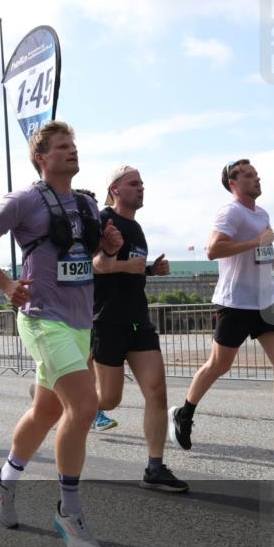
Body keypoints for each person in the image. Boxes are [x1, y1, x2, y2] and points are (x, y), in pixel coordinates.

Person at [0, 120, 123, 547]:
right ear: (41, 157)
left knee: (46, 410)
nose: (72, 151)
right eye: (61, 147)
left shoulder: (88, 205)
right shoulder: (23, 200)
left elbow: (90, 260)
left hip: (79, 321)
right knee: (85, 407)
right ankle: (68, 512)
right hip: (42, 319)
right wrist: (5, 284)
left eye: (74, 145)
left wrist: (109, 250)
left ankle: (4, 480)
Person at [169, 159, 274, 464]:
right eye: (249, 175)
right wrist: (257, 241)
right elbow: (213, 249)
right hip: (236, 302)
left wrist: (272, 258)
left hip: (267, 300)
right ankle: (183, 414)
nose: (258, 178)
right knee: (219, 364)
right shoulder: (230, 212)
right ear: (233, 182)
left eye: (257, 174)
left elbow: (258, 253)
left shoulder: (262, 213)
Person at [90, 166, 188, 491]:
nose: (141, 187)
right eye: (134, 183)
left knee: (157, 392)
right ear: (115, 189)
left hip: (138, 320)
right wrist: (127, 264)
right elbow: (95, 265)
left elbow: (128, 269)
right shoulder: (103, 219)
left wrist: (150, 270)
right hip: (108, 320)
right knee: (109, 399)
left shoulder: (137, 227)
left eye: (142, 183)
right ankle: (59, 399)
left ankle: (155, 468)